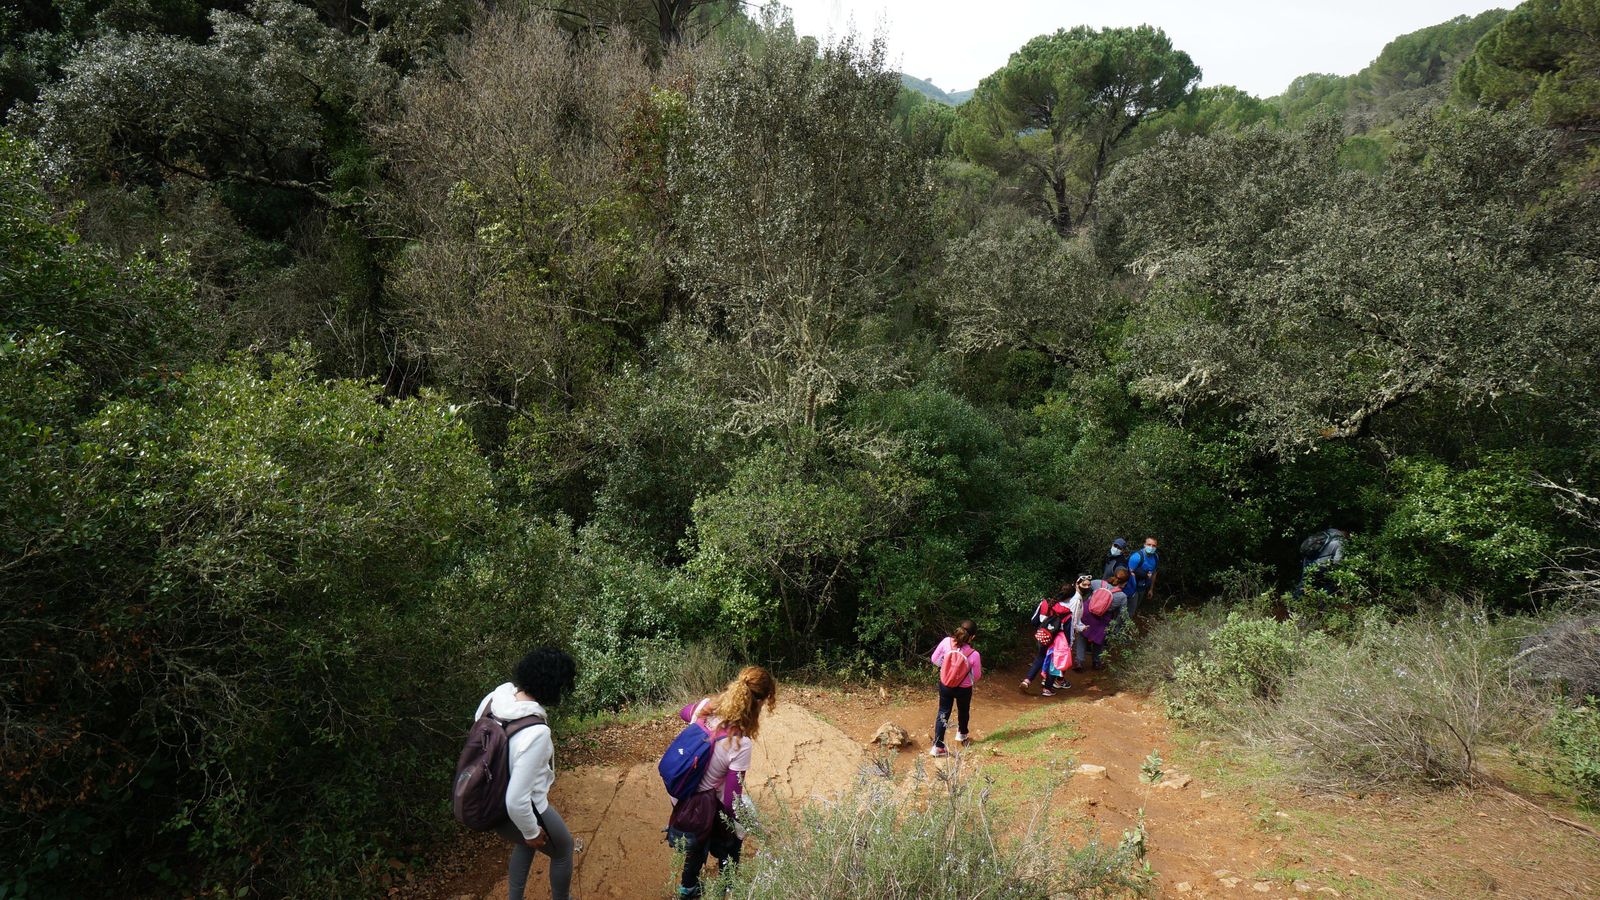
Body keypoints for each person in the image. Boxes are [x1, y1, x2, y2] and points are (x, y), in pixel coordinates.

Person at [474, 648, 578, 900]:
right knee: (563, 849)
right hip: (514, 807)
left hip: (485, 796)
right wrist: (531, 831)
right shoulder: (536, 732)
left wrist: (529, 834)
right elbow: (516, 800)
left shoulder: (495, 698)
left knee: (528, 841)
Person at [667, 666, 778, 899]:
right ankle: (727, 887)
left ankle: (688, 890)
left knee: (699, 841)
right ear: (758, 703)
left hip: (680, 791)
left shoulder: (706, 707)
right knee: (734, 831)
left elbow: (683, 712)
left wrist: (703, 709)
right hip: (701, 804)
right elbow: (731, 801)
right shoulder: (740, 743)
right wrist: (746, 825)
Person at [929, 621, 983, 758]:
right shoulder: (974, 654)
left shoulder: (946, 642)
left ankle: (938, 747)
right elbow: (976, 676)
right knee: (963, 710)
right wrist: (965, 679)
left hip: (945, 685)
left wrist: (946, 670)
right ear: (973, 637)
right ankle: (961, 735)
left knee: (943, 712)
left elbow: (934, 659)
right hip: (964, 689)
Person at [1021, 589, 1071, 696]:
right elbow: (1067, 631)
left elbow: (1034, 620)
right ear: (1069, 598)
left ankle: (1027, 680)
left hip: (1043, 636)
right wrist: (1068, 645)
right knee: (1054, 664)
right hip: (1057, 641)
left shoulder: (1045, 603)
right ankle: (1047, 689)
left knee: (1040, 657)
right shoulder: (1067, 612)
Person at [1079, 569, 1128, 670]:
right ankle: (1096, 662)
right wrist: (1115, 626)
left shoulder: (1099, 583)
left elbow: (1084, 585)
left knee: (1082, 636)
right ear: (1125, 582)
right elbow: (1122, 614)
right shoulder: (1122, 596)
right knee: (1099, 640)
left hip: (1087, 613)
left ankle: (1079, 661)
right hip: (1103, 618)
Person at [1296, 527, 1348, 596]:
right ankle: (1321, 603)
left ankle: (1294, 601)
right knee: (1330, 584)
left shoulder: (1329, 531)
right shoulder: (1341, 541)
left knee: (1304, 583)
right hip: (1321, 564)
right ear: (1348, 533)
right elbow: (1337, 560)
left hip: (1308, 559)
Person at [1124, 537, 1160, 619]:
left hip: (1143, 587)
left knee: (1136, 607)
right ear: (1144, 545)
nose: (1151, 547)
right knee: (1130, 610)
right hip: (1132, 588)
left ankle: (1128, 623)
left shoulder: (1155, 557)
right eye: (1149, 544)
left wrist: (1151, 589)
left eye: (1154, 545)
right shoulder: (1136, 557)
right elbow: (1128, 573)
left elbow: (1154, 573)